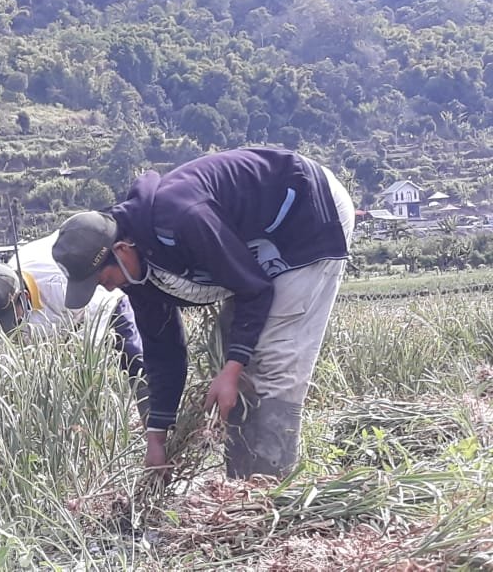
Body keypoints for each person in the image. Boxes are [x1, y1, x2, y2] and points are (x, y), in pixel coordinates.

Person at [51, 148, 355, 478]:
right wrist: (157, 436)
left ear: (120, 251)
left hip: (307, 215)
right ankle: (239, 483)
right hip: (260, 243)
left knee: (273, 360)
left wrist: (233, 368)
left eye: (103, 279)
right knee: (237, 354)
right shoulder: (135, 271)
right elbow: (162, 349)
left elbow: (255, 289)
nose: (107, 289)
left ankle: (269, 492)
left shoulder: (181, 218)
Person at [0, 232, 170, 465]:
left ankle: (156, 433)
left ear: (23, 298)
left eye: (8, 322)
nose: (5, 332)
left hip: (101, 302)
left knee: (134, 362)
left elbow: (89, 359)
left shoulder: (60, 283)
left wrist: (80, 378)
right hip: (60, 321)